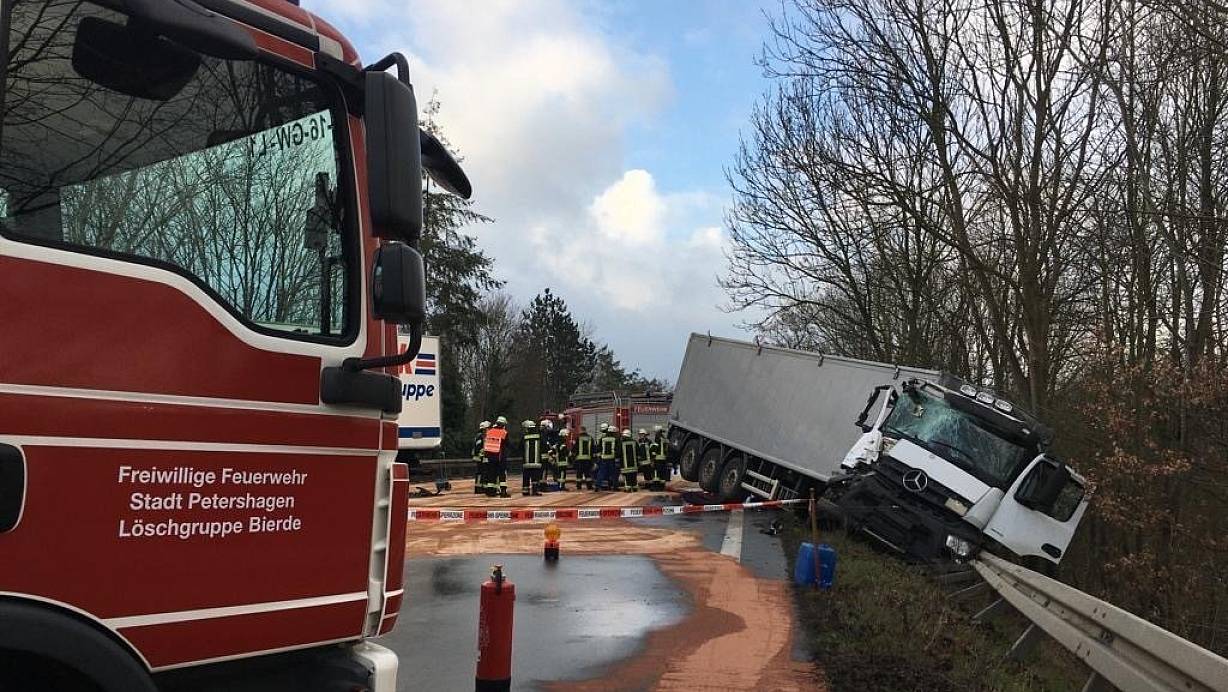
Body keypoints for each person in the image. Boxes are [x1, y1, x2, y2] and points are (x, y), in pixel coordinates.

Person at [482, 416, 511, 498]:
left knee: (491, 474)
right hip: (500, 456)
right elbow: (507, 444)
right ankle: (503, 492)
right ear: (503, 424)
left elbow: (486, 444)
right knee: (502, 475)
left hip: (490, 457)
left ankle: (490, 491)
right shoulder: (504, 432)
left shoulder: (489, 431)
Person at [520, 419, 543, 496]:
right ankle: (535, 491)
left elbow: (519, 448)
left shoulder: (524, 437)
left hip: (526, 462)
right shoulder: (539, 436)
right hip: (536, 461)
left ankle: (525, 491)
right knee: (535, 477)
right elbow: (544, 447)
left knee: (526, 477)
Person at [596, 424, 619, 491]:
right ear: (612, 432)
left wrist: (599, 457)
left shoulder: (602, 439)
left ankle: (597, 486)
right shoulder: (615, 439)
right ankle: (615, 487)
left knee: (601, 472)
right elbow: (617, 450)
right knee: (613, 473)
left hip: (603, 458)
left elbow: (599, 448)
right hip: (612, 459)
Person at [574, 426, 594, 490]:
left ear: (581, 430)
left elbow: (575, 448)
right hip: (588, 459)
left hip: (579, 459)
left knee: (579, 473)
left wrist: (573, 456)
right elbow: (593, 448)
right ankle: (589, 486)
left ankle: (579, 486)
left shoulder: (578, 438)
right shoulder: (590, 438)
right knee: (588, 473)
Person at [650, 425, 670, 490]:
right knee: (662, 473)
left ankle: (656, 487)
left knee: (656, 473)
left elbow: (655, 448)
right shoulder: (664, 438)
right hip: (663, 459)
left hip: (658, 458)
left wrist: (652, 458)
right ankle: (662, 486)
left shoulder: (657, 437)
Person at [473, 421, 490, 494]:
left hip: (480, 457)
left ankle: (479, 487)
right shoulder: (480, 436)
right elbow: (478, 448)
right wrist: (482, 454)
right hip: (480, 458)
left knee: (481, 473)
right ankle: (479, 488)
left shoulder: (479, 435)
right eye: (488, 428)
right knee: (481, 473)